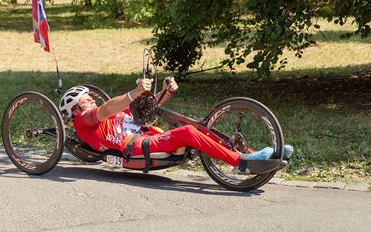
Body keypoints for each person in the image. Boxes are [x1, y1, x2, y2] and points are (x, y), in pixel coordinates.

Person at [59, 78, 293, 171]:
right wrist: (136, 91)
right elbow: (108, 107)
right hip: (137, 146)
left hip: (147, 135)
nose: (91, 100)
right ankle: (241, 163)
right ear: (76, 108)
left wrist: (165, 91)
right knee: (189, 132)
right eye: (86, 99)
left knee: (196, 127)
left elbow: (146, 112)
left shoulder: (101, 116)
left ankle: (259, 154)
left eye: (90, 97)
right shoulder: (83, 121)